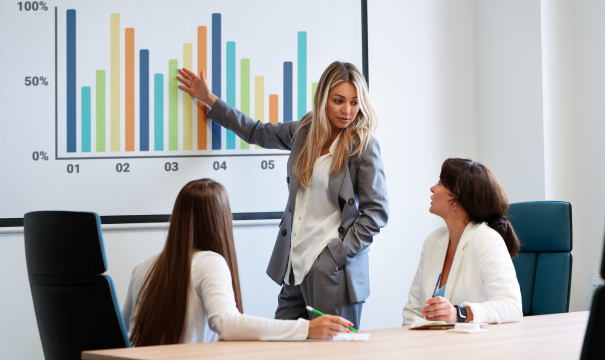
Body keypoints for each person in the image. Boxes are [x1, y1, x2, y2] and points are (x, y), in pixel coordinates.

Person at [177, 61, 388, 329]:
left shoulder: (363, 146)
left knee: (334, 353)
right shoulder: (305, 131)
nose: (348, 111)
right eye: (338, 101)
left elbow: (376, 213)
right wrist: (209, 99)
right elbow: (255, 131)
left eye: (355, 102)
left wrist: (334, 256)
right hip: (294, 263)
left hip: (332, 269)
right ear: (323, 98)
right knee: (282, 348)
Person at [122, 179, 352, 346]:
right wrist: (307, 328)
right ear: (220, 219)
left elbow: (122, 334)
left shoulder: (142, 268)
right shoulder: (208, 261)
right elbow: (227, 323)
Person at [402, 158, 523, 325]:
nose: (432, 188)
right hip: (434, 347)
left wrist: (459, 313)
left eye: (440, 183)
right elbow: (413, 310)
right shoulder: (432, 241)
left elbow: (512, 306)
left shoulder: (486, 239)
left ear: (456, 200)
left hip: (475, 347)